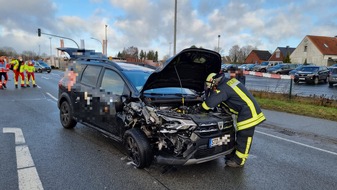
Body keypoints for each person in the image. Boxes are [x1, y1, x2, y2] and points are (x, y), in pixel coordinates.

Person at [201, 72, 266, 167]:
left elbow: (209, 103)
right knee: (240, 135)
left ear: (213, 81)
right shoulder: (229, 82)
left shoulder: (223, 88)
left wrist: (201, 108)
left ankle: (239, 161)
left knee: (244, 136)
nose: (209, 87)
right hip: (248, 110)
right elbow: (229, 99)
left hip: (248, 113)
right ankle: (233, 155)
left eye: (209, 85)